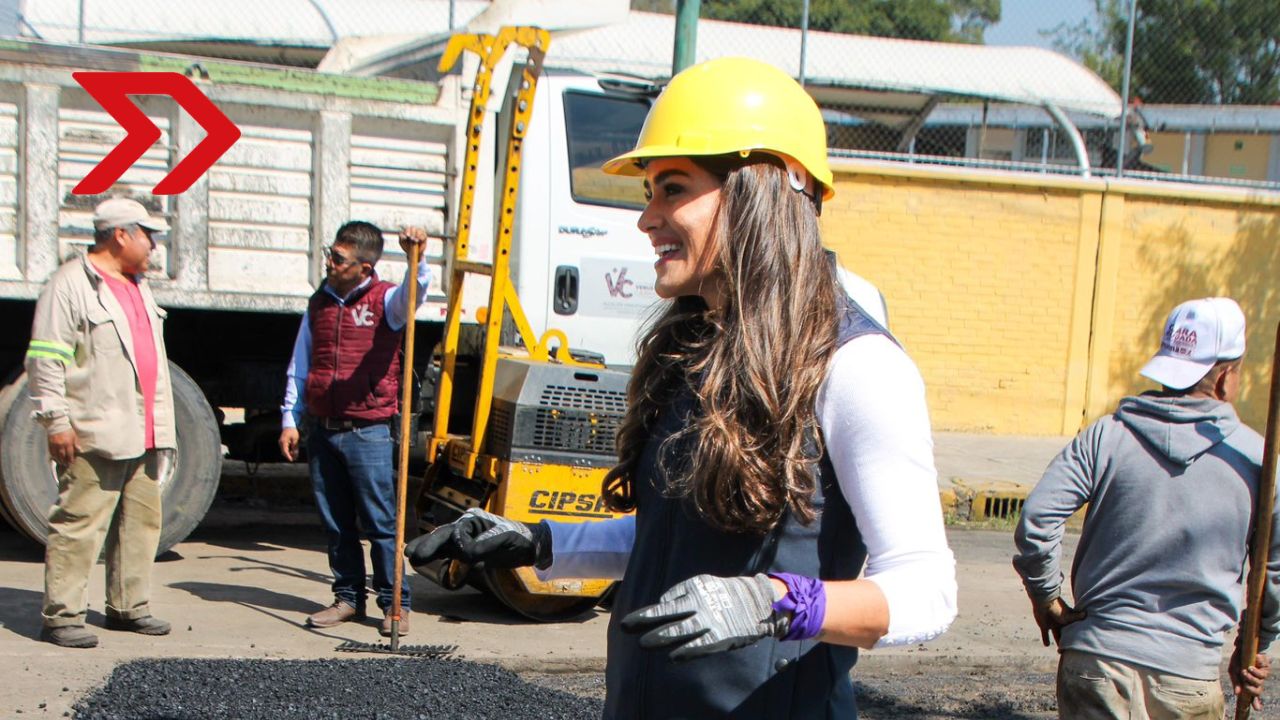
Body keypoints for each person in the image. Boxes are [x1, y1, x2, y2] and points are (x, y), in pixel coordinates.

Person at [406, 56, 957, 717]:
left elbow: (928, 591)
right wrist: (538, 542)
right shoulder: (695, 349)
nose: (647, 218)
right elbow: (677, 538)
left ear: (765, 188)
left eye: (673, 188)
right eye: (650, 195)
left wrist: (777, 601)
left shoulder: (857, 365)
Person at [1013, 297, 1277, 719]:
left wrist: (1047, 599)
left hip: (1095, 664)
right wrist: (1253, 647)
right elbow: (1273, 576)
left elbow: (1037, 521)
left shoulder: (1106, 436)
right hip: (1187, 677)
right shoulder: (1256, 461)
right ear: (1226, 379)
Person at [28, 197, 176, 648]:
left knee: (141, 523)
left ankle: (129, 607)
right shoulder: (71, 284)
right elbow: (46, 358)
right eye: (147, 236)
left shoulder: (137, 285)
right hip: (97, 427)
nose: (153, 246)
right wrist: (56, 420)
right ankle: (63, 615)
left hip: (144, 427)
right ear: (121, 235)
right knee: (79, 521)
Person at [278, 221, 430, 637]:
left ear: (364, 267)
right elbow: (300, 364)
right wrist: (289, 418)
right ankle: (347, 597)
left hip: (369, 431)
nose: (329, 261)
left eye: (339, 257)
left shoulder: (387, 302)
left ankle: (394, 602)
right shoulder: (319, 304)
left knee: (381, 523)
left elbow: (413, 295)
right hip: (323, 427)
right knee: (336, 522)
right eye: (331, 253)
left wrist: (415, 258)